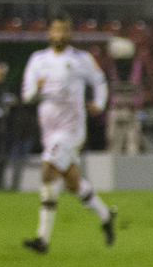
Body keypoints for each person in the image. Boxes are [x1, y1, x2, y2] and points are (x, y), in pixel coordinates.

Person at [19, 19, 115, 253]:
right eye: (56, 30)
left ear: (70, 33)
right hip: (49, 131)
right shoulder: (37, 60)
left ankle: (42, 239)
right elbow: (27, 95)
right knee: (73, 184)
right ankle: (105, 215)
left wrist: (100, 103)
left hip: (71, 130)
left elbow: (100, 81)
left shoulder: (81, 59)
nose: (60, 34)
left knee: (47, 172)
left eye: (64, 30)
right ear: (49, 33)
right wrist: (37, 89)